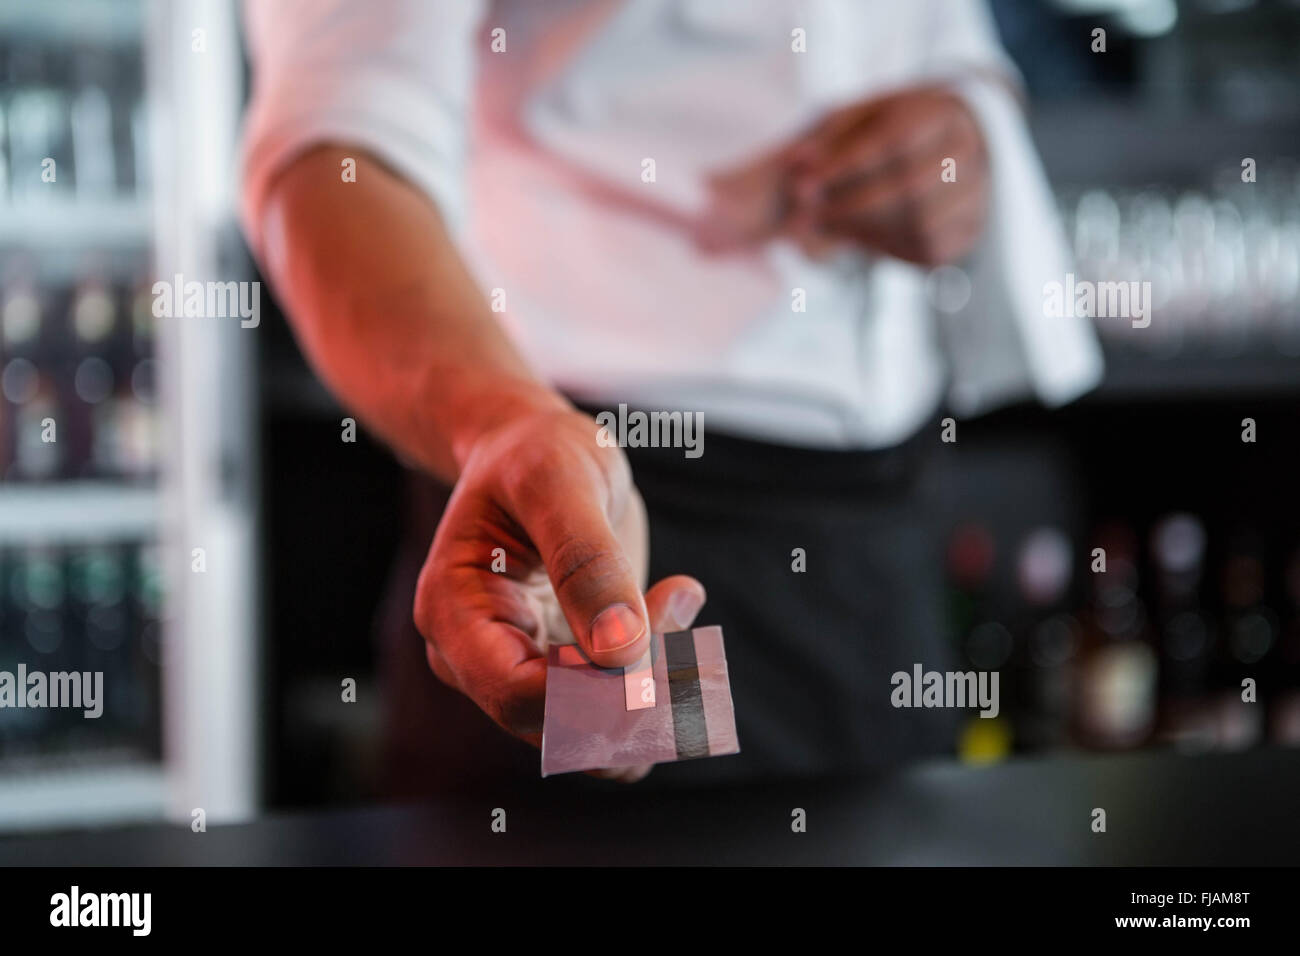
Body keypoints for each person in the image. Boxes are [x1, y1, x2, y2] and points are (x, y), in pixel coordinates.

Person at [239, 0, 1102, 790]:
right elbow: (335, 141)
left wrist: (958, 134)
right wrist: (503, 424)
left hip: (875, 543)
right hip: (606, 523)